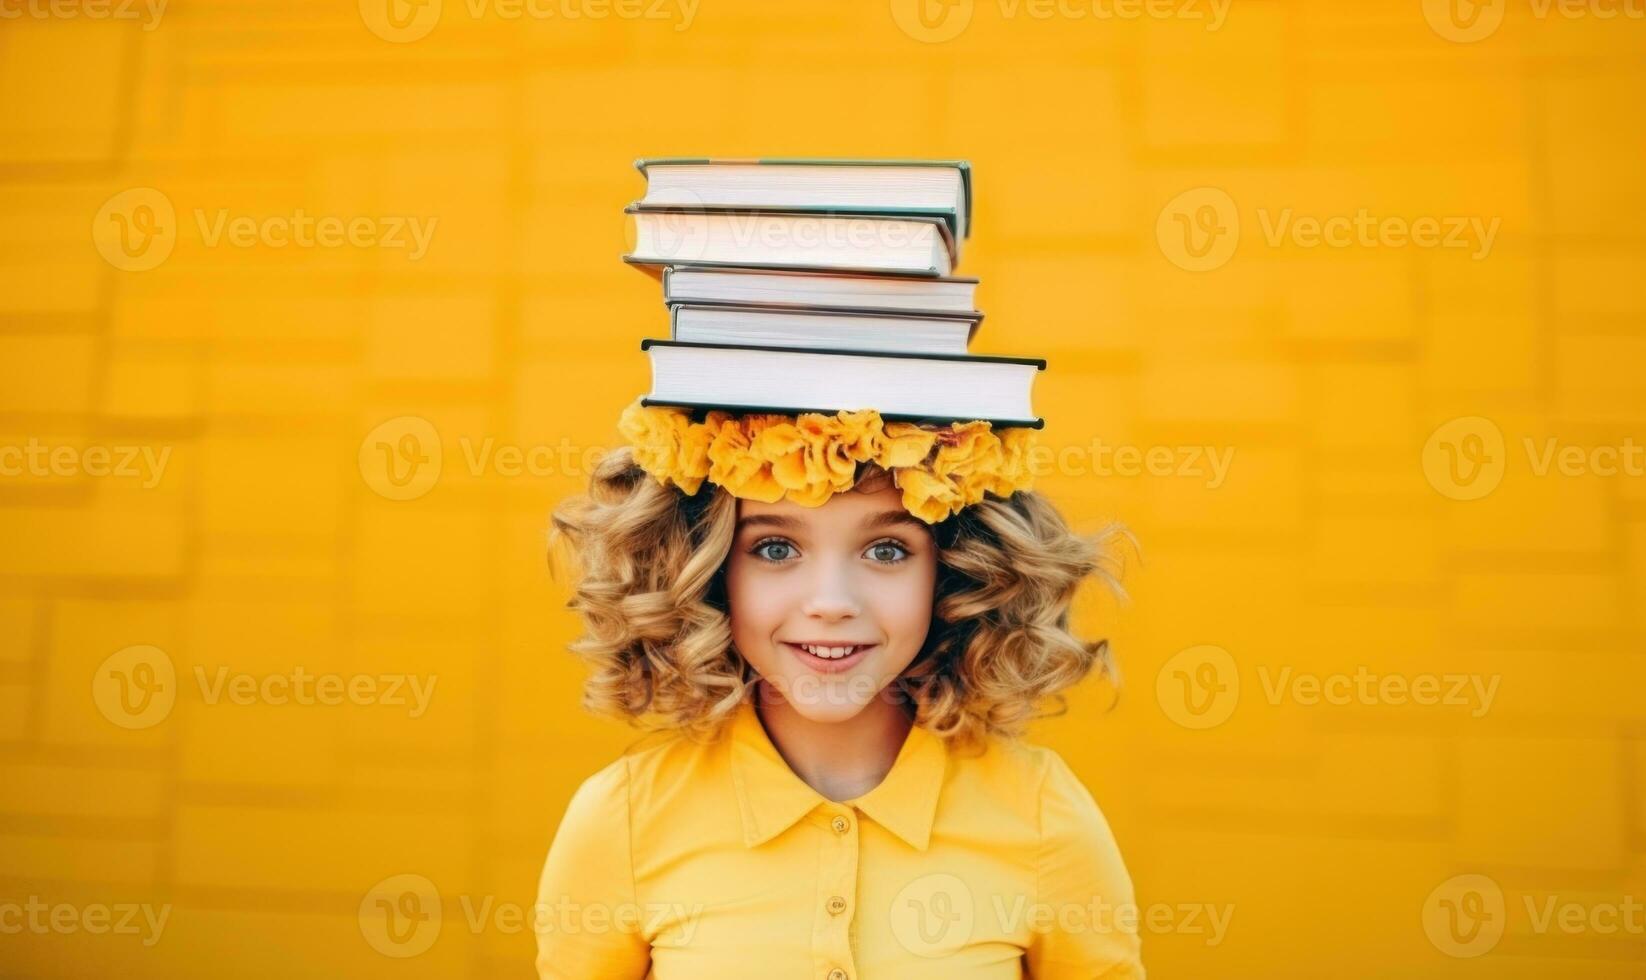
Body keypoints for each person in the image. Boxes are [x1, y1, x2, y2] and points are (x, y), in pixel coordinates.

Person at [536, 401, 1144, 979]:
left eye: (887, 549)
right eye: (775, 548)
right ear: (708, 569)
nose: (831, 603)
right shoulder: (623, 821)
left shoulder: (1042, 814)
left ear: (952, 568)